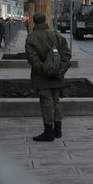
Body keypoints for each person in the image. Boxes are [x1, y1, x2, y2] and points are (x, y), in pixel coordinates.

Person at [25, 13, 71, 142]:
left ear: (34, 22)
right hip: (57, 76)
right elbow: (66, 56)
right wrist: (58, 71)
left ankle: (48, 132)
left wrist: (45, 70)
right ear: (45, 20)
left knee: (46, 102)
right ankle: (58, 130)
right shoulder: (57, 36)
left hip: (41, 77)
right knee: (56, 100)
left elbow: (33, 60)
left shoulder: (31, 38)